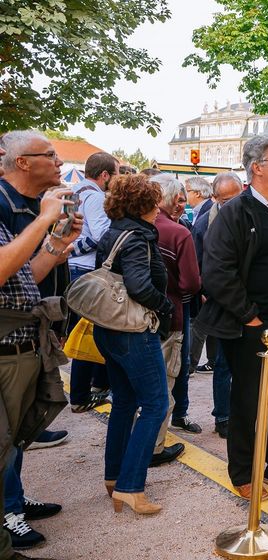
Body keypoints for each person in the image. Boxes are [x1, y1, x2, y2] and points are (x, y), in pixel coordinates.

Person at [196, 135, 268, 501]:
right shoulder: (235, 212)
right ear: (257, 168)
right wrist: (250, 318)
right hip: (252, 329)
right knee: (247, 403)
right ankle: (243, 473)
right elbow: (216, 273)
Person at [0, 138, 80, 559]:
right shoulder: (6, 203)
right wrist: (44, 220)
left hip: (30, 339)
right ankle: (8, 516)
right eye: (49, 155)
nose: (59, 160)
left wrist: (57, 244)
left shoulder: (31, 205)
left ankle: (14, 502)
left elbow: (26, 276)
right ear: (23, 162)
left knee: (15, 438)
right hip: (6, 346)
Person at [91, 173, 174, 515]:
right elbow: (140, 286)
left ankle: (115, 477)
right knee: (155, 404)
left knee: (124, 402)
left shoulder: (114, 232)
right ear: (142, 204)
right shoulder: (138, 237)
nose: (159, 208)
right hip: (132, 329)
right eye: (155, 202)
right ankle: (130, 487)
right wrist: (164, 305)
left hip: (109, 327)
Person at [149, 174, 200, 469]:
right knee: (163, 387)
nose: (182, 204)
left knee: (136, 389)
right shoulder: (177, 233)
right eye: (179, 199)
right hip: (171, 317)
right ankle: (154, 447)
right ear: (166, 199)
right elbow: (191, 282)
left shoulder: (131, 226)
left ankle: (134, 443)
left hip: (132, 320)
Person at [191, 173, 242, 439]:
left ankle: (242, 414)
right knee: (222, 364)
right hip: (220, 303)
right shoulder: (204, 224)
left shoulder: (251, 214)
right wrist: (204, 291)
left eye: (235, 198)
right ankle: (222, 417)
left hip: (246, 301)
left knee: (245, 365)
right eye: (224, 200)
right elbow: (198, 262)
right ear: (215, 198)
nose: (230, 204)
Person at [66, 152, 118, 413]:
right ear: (105, 175)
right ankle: (80, 395)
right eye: (115, 173)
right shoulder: (96, 197)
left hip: (74, 268)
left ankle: (90, 388)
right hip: (87, 270)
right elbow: (101, 235)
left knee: (86, 330)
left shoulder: (75, 190)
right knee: (90, 332)